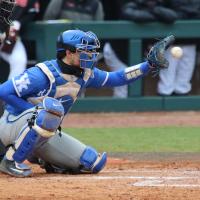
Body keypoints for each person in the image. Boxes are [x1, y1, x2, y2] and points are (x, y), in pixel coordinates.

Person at [0, 29, 174, 177]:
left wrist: (148, 65)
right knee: (47, 113)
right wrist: (36, 111)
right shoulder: (41, 74)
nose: (90, 55)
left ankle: (41, 156)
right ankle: (10, 161)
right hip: (11, 125)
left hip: (44, 132)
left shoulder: (85, 73)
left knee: (91, 162)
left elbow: (117, 78)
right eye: (84, 51)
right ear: (68, 53)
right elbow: (3, 91)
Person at [157, 0, 200, 96]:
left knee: (184, 78)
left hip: (191, 41)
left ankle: (182, 99)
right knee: (167, 79)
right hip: (171, 41)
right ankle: (164, 101)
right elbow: (161, 11)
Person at [0, 0, 40, 80]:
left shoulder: (29, 2)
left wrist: (19, 23)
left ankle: (11, 90)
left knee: (19, 61)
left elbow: (32, 13)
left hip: (10, 40)